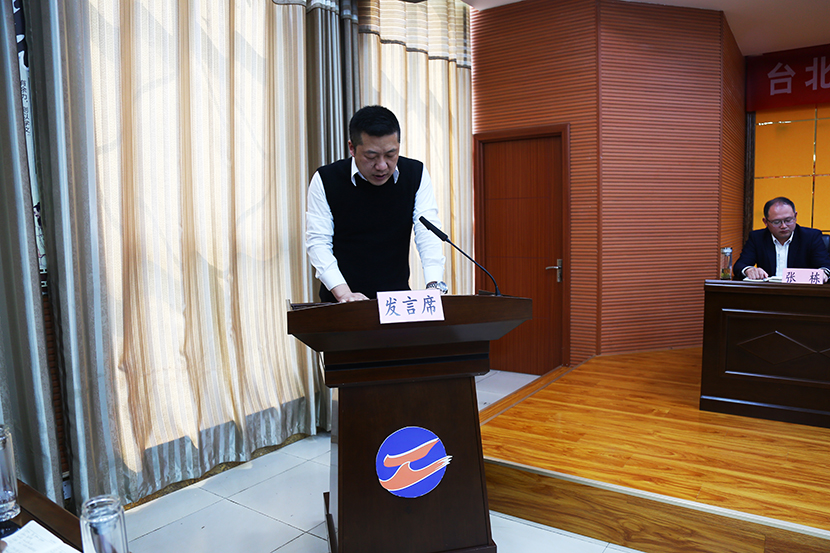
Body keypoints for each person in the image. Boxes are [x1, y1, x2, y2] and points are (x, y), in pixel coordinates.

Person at [306, 105, 447, 303]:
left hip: (397, 302)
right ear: (352, 148)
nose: (382, 166)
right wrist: (344, 294)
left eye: (390, 155)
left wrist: (434, 285)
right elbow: (318, 242)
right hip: (341, 302)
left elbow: (427, 232)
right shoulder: (326, 179)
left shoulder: (415, 174)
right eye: (371, 157)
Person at [733, 196, 830, 283]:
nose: (783, 226)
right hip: (769, 292)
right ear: (765, 222)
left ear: (795, 216)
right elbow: (740, 265)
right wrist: (749, 270)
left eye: (788, 220)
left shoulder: (811, 236)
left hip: (801, 292)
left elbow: (825, 265)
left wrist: (823, 273)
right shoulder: (757, 237)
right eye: (777, 222)